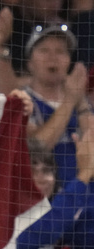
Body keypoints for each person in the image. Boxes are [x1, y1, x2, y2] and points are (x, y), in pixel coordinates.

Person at [25, 24, 92, 183]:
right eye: (44, 50)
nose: (53, 57)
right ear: (29, 63)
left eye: (61, 51)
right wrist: (70, 101)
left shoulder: (81, 102)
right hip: (45, 196)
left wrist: (81, 100)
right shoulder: (22, 101)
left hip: (84, 195)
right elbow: (38, 147)